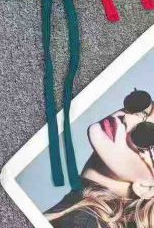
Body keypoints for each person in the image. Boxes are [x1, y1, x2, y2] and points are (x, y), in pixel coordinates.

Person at [45, 89, 154, 227]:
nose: (127, 118)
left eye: (145, 134)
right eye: (140, 108)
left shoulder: (81, 222)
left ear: (146, 187)